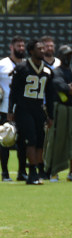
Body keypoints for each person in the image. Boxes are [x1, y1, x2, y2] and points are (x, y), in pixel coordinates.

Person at [7, 38, 56, 185]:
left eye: (43, 48)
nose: (43, 51)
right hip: (24, 109)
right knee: (31, 140)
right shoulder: (22, 68)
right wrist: (11, 111)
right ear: (31, 51)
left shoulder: (47, 70)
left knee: (40, 141)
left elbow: (50, 95)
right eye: (39, 49)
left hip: (39, 109)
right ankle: (32, 172)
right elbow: (13, 92)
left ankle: (39, 170)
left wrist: (50, 116)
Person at [46, 44, 72, 181]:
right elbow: (60, 86)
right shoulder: (56, 71)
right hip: (61, 110)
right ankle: (53, 172)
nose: (68, 57)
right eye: (66, 55)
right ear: (60, 56)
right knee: (58, 141)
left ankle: (71, 172)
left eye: (70, 55)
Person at [0, 35, 27, 181]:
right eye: (18, 46)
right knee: (5, 141)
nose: (21, 49)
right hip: (4, 108)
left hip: (22, 108)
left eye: (23, 46)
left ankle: (21, 172)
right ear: (11, 47)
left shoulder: (27, 64)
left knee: (22, 142)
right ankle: (5, 173)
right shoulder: (3, 64)